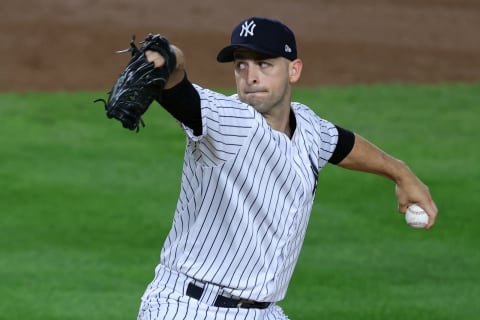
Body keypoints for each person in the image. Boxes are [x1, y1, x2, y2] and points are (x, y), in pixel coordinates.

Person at [136, 16, 438, 320]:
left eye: (264, 64)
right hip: (190, 308)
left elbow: (342, 145)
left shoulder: (307, 127)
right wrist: (169, 58)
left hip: (262, 313)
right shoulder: (229, 120)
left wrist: (401, 173)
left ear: (294, 70)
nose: (250, 76)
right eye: (241, 65)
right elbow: (180, 93)